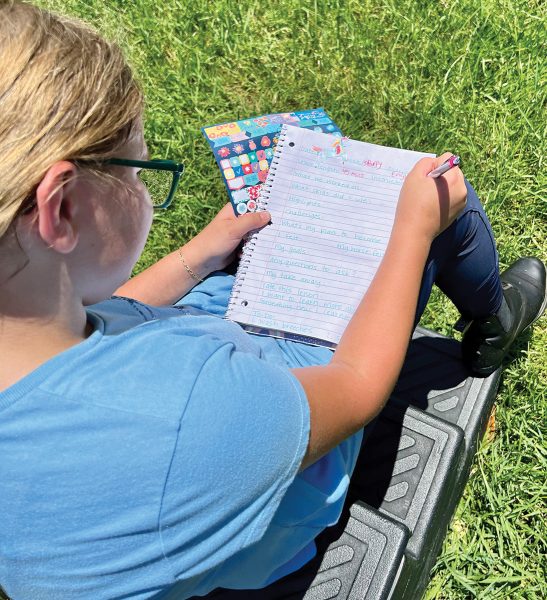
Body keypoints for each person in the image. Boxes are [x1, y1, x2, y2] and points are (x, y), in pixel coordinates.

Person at [0, 2, 545, 599]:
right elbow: (357, 384)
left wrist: (200, 256)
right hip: (278, 471)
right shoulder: (186, 416)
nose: (143, 185)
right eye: (138, 170)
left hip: (196, 421)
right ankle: (494, 321)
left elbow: (100, 321)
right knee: (444, 205)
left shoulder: (30, 345)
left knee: (254, 255)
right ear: (62, 209)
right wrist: (410, 234)